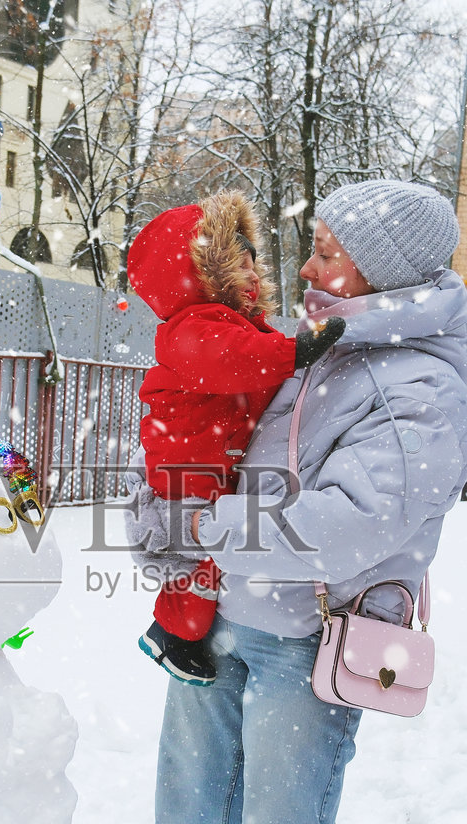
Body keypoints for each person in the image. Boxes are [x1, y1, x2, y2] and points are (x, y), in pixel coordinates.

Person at [124, 179, 467, 824]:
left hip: (307, 642)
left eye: (329, 251)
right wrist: (161, 503)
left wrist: (201, 530)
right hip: (219, 623)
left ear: (384, 274)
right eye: (314, 245)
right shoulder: (316, 345)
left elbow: (347, 524)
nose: (308, 264)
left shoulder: (420, 385)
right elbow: (214, 443)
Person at [125, 190, 344, 685]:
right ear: (201, 275)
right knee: (198, 560)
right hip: (186, 464)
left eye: (252, 264)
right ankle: (171, 633)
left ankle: (177, 628)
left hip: (209, 460)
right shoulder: (191, 329)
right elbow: (235, 359)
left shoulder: (234, 326)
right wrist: (297, 351)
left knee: (207, 555)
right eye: (238, 265)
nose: (252, 275)